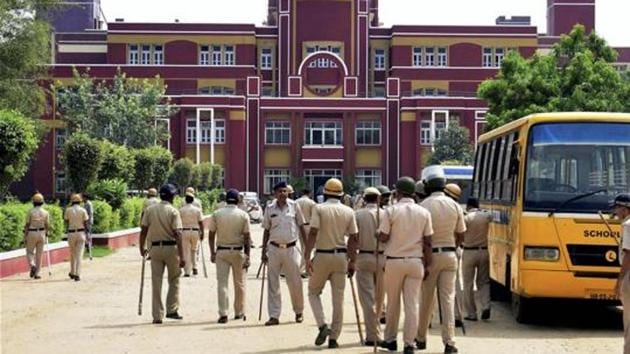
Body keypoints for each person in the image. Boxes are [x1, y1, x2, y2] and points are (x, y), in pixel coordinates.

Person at [378, 177, 433, 354]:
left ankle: (390, 340)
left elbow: (384, 237)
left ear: (398, 192)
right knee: (412, 305)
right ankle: (409, 343)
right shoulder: (423, 212)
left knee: (393, 304)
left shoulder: (391, 210)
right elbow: (428, 242)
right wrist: (428, 265)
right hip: (416, 261)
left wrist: (377, 233)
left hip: (394, 261)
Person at [416, 166, 466, 354]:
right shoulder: (454, 205)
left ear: (428, 187)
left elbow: (420, 236)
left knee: (426, 299)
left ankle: (421, 338)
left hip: (430, 257)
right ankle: (449, 342)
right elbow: (461, 233)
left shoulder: (423, 206)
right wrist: (454, 245)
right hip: (450, 255)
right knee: (447, 299)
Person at [304, 178, 359, 349]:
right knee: (338, 299)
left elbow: (313, 232)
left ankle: (322, 325)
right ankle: (334, 338)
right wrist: (352, 261)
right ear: (341, 195)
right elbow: (354, 238)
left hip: (322, 254)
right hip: (341, 257)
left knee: (313, 292)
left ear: (325, 193)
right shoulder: (348, 211)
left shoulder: (319, 208)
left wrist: (307, 256)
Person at [261, 181, 307, 326]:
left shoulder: (295, 206)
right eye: (280, 191)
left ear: (288, 192)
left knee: (295, 283)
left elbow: (301, 227)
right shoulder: (269, 208)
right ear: (275, 193)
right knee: (273, 284)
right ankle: (274, 315)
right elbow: (266, 230)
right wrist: (264, 251)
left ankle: (299, 311)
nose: (283, 194)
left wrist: (307, 250)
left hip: (291, 249)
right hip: (274, 249)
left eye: (285, 191)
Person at [139, 184, 185, 324]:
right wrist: (182, 256)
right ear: (172, 196)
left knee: (156, 281)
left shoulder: (150, 210)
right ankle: (172, 309)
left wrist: (142, 247)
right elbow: (178, 234)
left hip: (155, 249)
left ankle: (157, 315)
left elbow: (144, 230)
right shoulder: (173, 211)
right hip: (171, 249)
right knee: (174, 279)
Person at [209, 188, 251, 323]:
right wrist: (247, 255)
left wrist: (212, 252)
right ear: (238, 200)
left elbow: (211, 234)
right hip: (238, 251)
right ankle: (239, 312)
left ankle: (223, 313)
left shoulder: (217, 214)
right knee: (239, 284)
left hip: (221, 251)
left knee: (222, 284)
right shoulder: (243, 215)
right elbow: (247, 237)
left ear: (226, 199)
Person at [350, 187, 386, 346]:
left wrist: (350, 260)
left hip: (364, 256)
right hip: (383, 257)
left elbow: (352, 239)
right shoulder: (387, 214)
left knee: (368, 299)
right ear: (378, 199)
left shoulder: (358, 214)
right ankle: (377, 332)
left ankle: (373, 335)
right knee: (379, 298)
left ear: (364, 199)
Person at [461, 197, 493, 321]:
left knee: (468, 284)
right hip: (484, 251)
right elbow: (491, 217)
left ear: (468, 206)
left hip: (469, 252)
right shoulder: (485, 216)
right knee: (484, 282)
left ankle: (471, 313)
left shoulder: (466, 217)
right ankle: (486, 306)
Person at [444, 183, 465, 327]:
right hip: (453, 249)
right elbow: (461, 234)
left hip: (436, 250)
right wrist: (455, 246)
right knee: (455, 285)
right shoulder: (458, 208)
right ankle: (458, 315)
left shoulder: (430, 205)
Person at [613, 193, 630, 354]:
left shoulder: (628, 226)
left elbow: (628, 256)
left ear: (625, 209)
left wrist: (619, 281)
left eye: (617, 209)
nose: (616, 213)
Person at [23, 193, 49, 279]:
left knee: (29, 252)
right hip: (42, 233)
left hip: (32, 232)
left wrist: (25, 235)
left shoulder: (30, 211)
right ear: (42, 202)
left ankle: (32, 265)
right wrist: (47, 232)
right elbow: (47, 225)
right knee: (39, 254)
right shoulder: (46, 212)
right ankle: (37, 273)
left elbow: (27, 224)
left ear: (33, 202)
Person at [64, 193, 89, 281]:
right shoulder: (83, 210)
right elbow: (85, 223)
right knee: (79, 255)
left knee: (72, 254)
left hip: (71, 233)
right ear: (80, 201)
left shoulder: (68, 210)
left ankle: (72, 272)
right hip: (81, 232)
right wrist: (87, 234)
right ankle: (77, 274)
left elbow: (66, 221)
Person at [180, 191, 204, 277]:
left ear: (185, 200)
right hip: (195, 231)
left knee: (186, 251)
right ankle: (195, 267)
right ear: (193, 200)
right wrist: (202, 233)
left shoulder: (181, 210)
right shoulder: (197, 210)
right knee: (194, 250)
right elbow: (201, 222)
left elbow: (178, 223)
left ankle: (187, 271)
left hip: (185, 231)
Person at [296, 188, 317, 276]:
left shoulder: (296, 202)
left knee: (303, 247)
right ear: (310, 193)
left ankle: (304, 267)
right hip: (309, 225)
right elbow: (315, 216)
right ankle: (304, 269)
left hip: (299, 226)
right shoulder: (312, 203)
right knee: (308, 248)